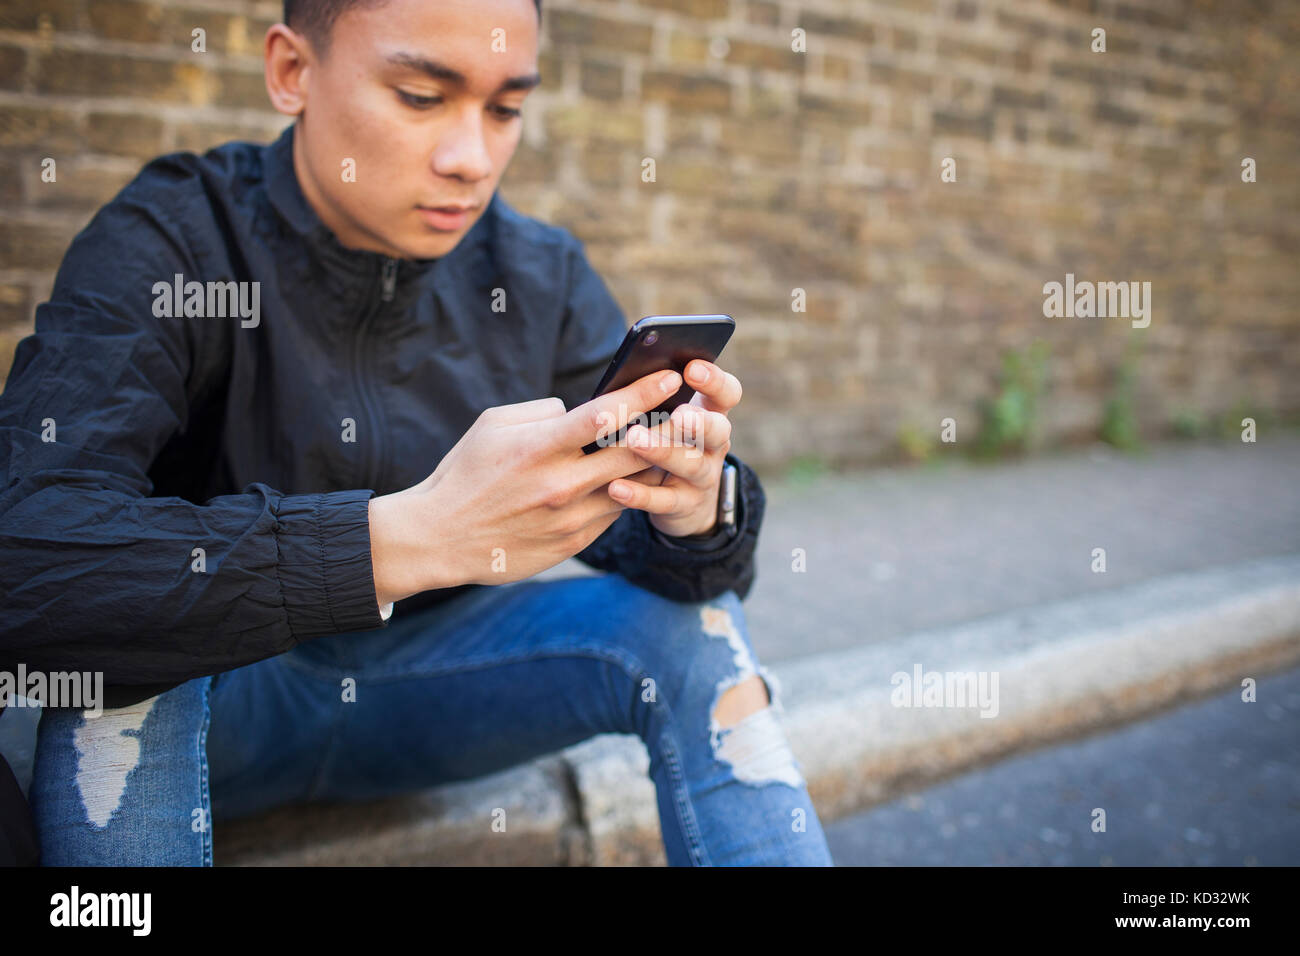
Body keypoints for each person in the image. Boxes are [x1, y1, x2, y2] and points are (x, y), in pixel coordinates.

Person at [0, 0, 833, 866]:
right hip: (207, 710)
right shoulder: (174, 237)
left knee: (697, 631)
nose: (470, 160)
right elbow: (28, 549)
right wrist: (404, 539)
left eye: (505, 109)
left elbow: (661, 554)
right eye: (420, 96)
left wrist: (690, 513)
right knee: (127, 650)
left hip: (422, 690)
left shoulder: (536, 275)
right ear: (292, 72)